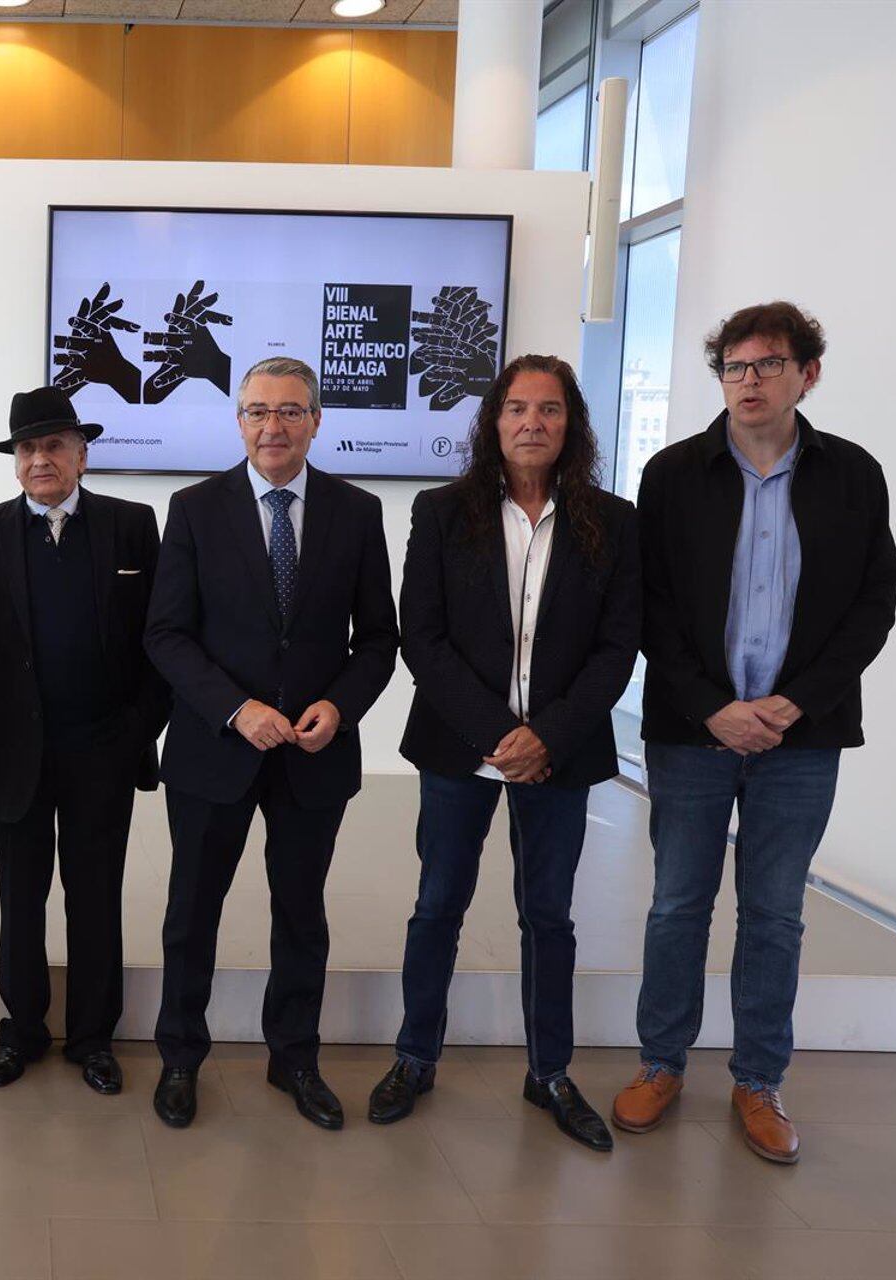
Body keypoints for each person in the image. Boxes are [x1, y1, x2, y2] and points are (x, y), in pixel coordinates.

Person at [612, 303, 896, 1164]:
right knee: (676, 907)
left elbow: (871, 607)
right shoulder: (671, 475)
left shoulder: (853, 475)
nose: (749, 381)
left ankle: (758, 1080)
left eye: (768, 365)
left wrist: (792, 704)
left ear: (807, 374)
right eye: (734, 368)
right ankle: (661, 1062)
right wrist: (712, 705)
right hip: (692, 732)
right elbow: (648, 608)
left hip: (800, 741)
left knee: (774, 914)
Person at [368, 355, 639, 1151]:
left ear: (571, 424)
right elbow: (423, 635)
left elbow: (620, 645)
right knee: (438, 906)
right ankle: (416, 1057)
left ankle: (550, 1072)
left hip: (560, 751)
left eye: (549, 410)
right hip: (461, 747)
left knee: (548, 917)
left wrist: (546, 733)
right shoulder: (444, 511)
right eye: (516, 408)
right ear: (493, 421)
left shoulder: (613, 521)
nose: (532, 423)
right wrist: (498, 734)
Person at [144, 356, 398, 1131]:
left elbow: (379, 641)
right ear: (239, 421)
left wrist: (339, 706)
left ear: (317, 421)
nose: (273, 427)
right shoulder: (193, 508)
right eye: (257, 412)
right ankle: (182, 1058)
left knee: (301, 913)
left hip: (314, 754)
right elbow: (166, 633)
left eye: (290, 412)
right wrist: (235, 709)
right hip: (214, 749)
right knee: (193, 910)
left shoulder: (357, 511)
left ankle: (294, 1058)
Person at [0, 387, 168, 1096]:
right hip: (13, 754)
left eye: (54, 446)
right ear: (14, 463)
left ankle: (92, 1039)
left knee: (96, 897)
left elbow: (161, 640)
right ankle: (20, 1033)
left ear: (81, 454)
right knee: (20, 899)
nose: (40, 458)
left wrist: (137, 730)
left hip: (103, 750)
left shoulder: (132, 525)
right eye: (27, 448)